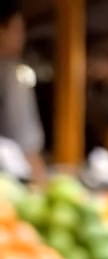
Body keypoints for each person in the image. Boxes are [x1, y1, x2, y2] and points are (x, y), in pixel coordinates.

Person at [0, 0, 44, 181]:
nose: (22, 37)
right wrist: (40, 182)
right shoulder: (12, 73)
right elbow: (26, 141)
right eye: (17, 29)